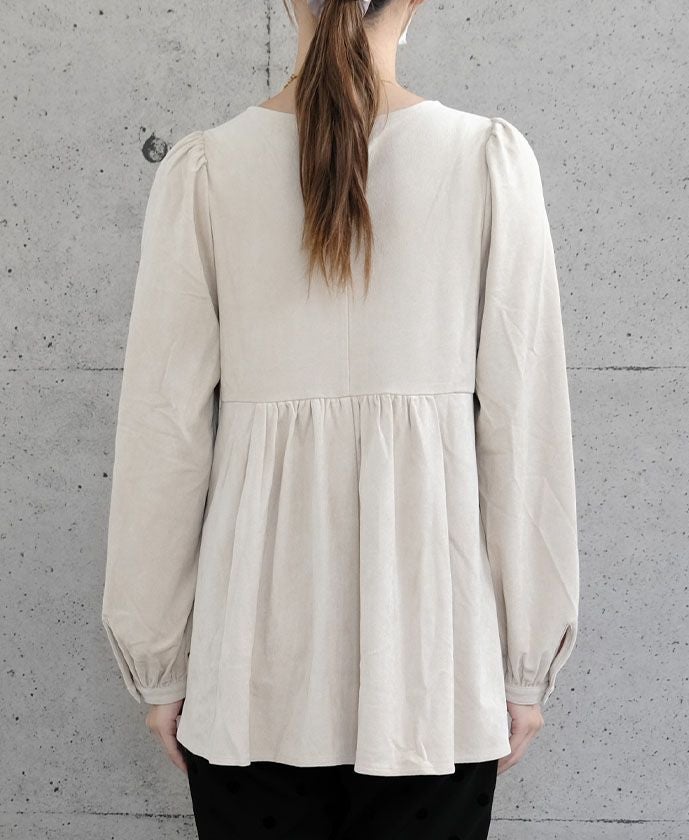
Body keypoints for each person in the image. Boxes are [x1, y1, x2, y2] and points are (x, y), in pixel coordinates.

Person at [100, 0, 580, 837]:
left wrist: (160, 664)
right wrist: (524, 664)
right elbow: (525, 430)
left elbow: (163, 437)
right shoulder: (486, 161)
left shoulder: (207, 170)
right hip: (436, 669)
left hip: (250, 672)